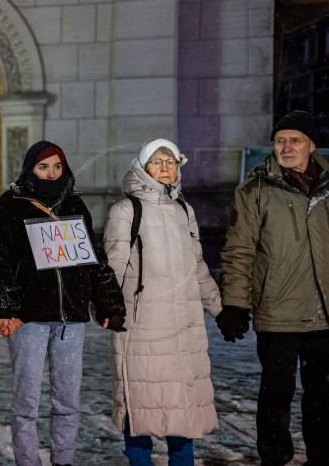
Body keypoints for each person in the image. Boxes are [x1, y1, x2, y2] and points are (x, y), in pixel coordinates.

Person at [0, 140, 126, 466]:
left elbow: (95, 258)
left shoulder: (74, 203)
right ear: (30, 169)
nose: (51, 173)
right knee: (27, 402)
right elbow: (0, 261)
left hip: (70, 318)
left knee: (67, 400)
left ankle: (64, 460)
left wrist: (108, 303)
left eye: (57, 166)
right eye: (43, 167)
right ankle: (28, 461)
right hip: (29, 318)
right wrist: (6, 307)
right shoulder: (12, 204)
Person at [102, 139, 223, 465]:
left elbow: (197, 265)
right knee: (141, 404)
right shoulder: (126, 210)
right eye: (157, 160)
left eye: (171, 160)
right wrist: (108, 306)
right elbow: (111, 266)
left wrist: (219, 308)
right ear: (142, 167)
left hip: (184, 327)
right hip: (142, 326)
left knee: (182, 407)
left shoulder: (185, 210)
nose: (166, 165)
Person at [219, 110, 329, 466]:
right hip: (278, 312)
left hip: (324, 312)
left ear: (311, 145)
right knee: (275, 399)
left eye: (294, 140)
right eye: (280, 140)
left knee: (322, 397)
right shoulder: (254, 190)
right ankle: (275, 459)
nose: (286, 147)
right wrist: (235, 305)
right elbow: (239, 250)